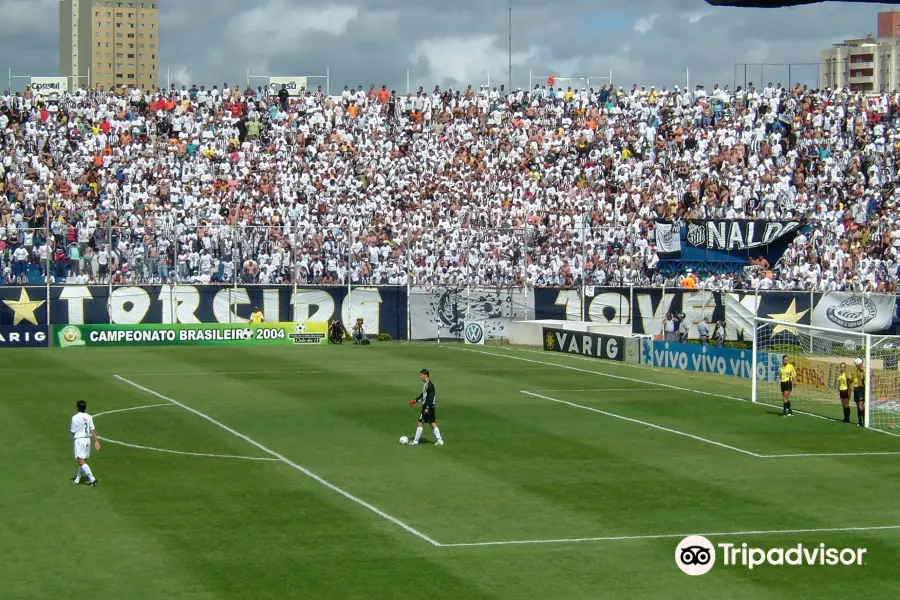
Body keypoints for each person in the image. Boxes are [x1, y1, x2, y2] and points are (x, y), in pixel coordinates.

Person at [406, 369, 443, 446]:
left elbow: (431, 397)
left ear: (426, 375)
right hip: (430, 407)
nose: (420, 377)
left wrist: (427, 408)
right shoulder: (426, 384)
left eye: (421, 375)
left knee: (420, 422)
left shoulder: (429, 385)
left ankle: (415, 442)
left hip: (428, 407)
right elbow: (423, 395)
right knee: (432, 423)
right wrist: (415, 400)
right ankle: (440, 440)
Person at [70, 400, 100, 486]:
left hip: (79, 440)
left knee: (80, 461)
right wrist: (96, 441)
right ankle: (77, 479)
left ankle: (92, 478)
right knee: (83, 461)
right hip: (87, 440)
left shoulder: (75, 417)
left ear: (77, 407)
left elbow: (72, 431)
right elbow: (92, 429)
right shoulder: (89, 417)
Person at [852, 359, 866, 427]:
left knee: (861, 405)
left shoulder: (863, 370)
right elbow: (853, 379)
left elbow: (865, 377)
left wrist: (862, 370)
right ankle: (860, 421)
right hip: (856, 389)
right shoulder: (855, 371)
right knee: (858, 405)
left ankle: (865, 420)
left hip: (861, 388)